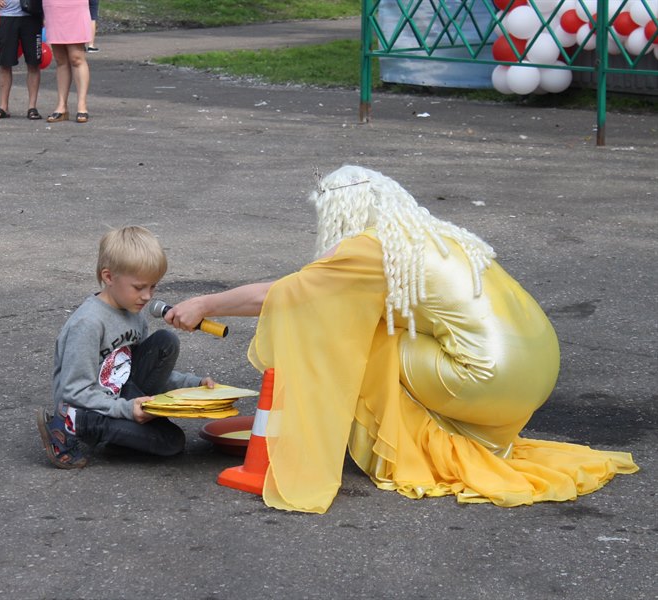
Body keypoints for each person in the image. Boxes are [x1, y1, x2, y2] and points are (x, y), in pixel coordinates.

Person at [164, 165, 638, 514]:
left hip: (490, 377)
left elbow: (280, 295)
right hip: (537, 367)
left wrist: (205, 303)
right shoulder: (430, 234)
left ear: (340, 212)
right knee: (372, 323)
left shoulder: (368, 248)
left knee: (358, 340)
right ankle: (428, 434)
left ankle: (408, 450)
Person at [37, 226, 216, 469]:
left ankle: (121, 437)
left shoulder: (134, 314)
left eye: (153, 287)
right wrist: (126, 410)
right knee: (169, 443)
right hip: (89, 408)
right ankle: (71, 424)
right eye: (139, 287)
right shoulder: (88, 323)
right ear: (109, 277)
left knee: (166, 342)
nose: (147, 296)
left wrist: (193, 384)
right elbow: (74, 392)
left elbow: (133, 370)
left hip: (119, 396)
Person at [0, 0, 42, 120]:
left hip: (32, 14)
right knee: (5, 63)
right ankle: (3, 107)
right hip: (7, 14)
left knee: (33, 63)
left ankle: (32, 107)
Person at [42, 0, 91, 123]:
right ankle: (62, 106)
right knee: (60, 59)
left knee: (76, 58)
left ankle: (82, 105)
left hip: (75, 6)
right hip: (53, 7)